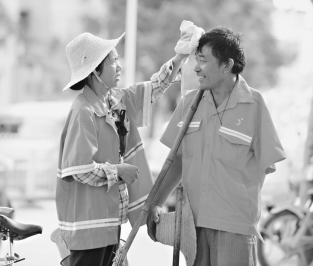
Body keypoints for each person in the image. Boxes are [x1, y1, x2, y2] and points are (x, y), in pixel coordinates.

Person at [146, 26, 287, 266]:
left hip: (235, 228)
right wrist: (154, 203)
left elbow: (266, 166)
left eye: (204, 61)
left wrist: (237, 206)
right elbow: (177, 160)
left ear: (226, 65)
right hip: (193, 227)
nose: (197, 67)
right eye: (196, 60)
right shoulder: (190, 102)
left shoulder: (255, 104)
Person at [55, 31, 190, 266]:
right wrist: (118, 171)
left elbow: (153, 89)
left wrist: (179, 57)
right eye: (113, 61)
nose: (119, 66)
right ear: (96, 70)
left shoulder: (115, 101)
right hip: (89, 230)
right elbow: (78, 169)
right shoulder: (83, 112)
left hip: (108, 223)